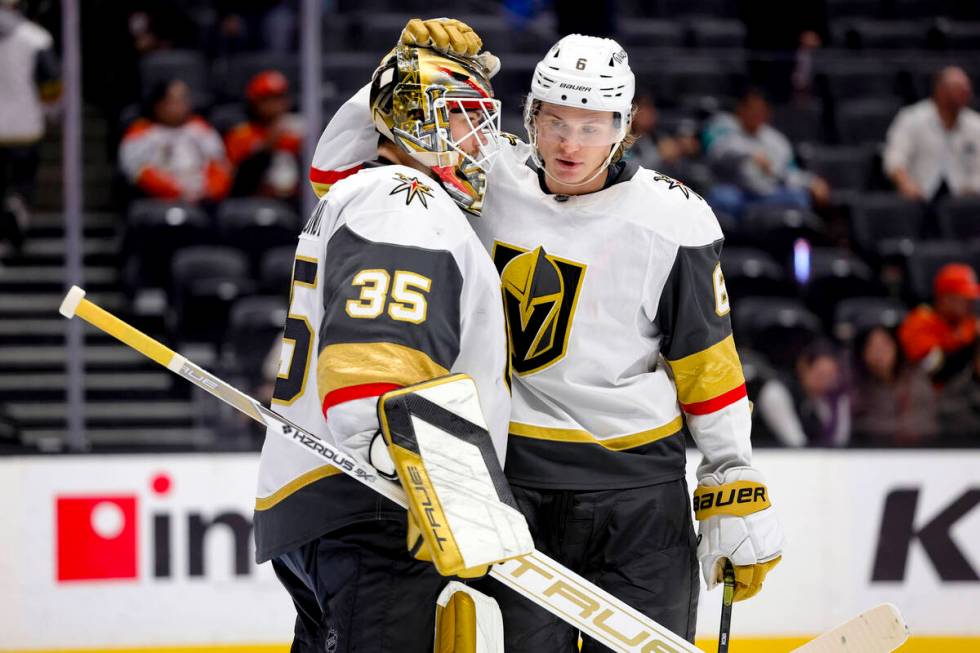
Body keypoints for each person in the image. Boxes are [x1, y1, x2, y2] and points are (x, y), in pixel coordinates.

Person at [311, 22, 784, 650]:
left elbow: (707, 366)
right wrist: (397, 70)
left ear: (623, 129)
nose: (570, 143)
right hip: (516, 488)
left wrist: (731, 476)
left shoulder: (675, 218)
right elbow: (336, 177)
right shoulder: (481, 174)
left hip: (641, 497)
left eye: (592, 126)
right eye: (556, 121)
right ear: (529, 116)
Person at [253, 45, 520, 652]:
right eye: (462, 117)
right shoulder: (408, 200)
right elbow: (373, 365)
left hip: (326, 503)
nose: (480, 139)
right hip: (379, 505)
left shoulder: (367, 193)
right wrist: (439, 488)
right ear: (414, 119)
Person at [703, 87, 830, 218]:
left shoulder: (777, 141)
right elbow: (716, 152)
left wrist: (811, 182)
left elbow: (788, 173)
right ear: (741, 109)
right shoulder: (724, 127)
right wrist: (750, 154)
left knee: (799, 198)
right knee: (721, 198)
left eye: (760, 110)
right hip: (736, 192)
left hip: (768, 195)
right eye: (751, 109)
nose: (755, 114)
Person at [0, 0, 60, 254]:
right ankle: (18, 208)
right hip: (24, 126)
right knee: (22, 183)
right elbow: (51, 85)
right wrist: (50, 110)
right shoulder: (35, 39)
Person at [119, 79, 232, 203]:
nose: (182, 105)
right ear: (158, 104)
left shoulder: (201, 128)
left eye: (185, 99)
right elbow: (138, 172)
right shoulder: (140, 132)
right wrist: (177, 192)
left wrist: (211, 191)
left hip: (204, 199)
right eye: (174, 100)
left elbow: (219, 164)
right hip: (159, 200)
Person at [883, 66, 980, 202]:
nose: (966, 93)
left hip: (964, 201)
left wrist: (974, 187)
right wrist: (906, 184)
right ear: (940, 90)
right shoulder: (912, 118)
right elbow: (894, 160)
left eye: (967, 88)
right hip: (920, 198)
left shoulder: (976, 124)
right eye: (958, 88)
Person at [850, 325, 938, 446]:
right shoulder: (857, 388)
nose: (879, 352)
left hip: (923, 450)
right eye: (872, 346)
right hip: (875, 452)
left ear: (895, 346)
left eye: (884, 344)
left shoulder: (917, 378)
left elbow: (928, 420)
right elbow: (861, 427)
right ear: (863, 353)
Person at [225, 70, 303, 200]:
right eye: (267, 99)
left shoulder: (299, 128)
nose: (275, 105)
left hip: (297, 201)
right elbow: (238, 179)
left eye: (279, 97)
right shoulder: (241, 134)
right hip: (254, 200)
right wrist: (266, 147)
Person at [756, 338, 850, 447]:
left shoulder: (829, 399)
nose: (825, 383)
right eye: (820, 375)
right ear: (803, 366)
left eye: (831, 377)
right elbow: (795, 442)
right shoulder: (776, 392)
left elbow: (838, 441)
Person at [898, 262, 980, 384]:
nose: (969, 303)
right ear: (945, 298)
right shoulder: (918, 323)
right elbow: (938, 370)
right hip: (926, 397)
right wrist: (974, 342)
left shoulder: (967, 321)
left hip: (963, 394)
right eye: (964, 298)